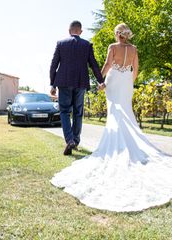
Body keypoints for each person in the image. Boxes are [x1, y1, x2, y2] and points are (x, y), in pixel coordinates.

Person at [50, 23, 172, 212]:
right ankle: (81, 139)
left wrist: (101, 82)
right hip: (125, 83)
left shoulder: (111, 47)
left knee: (82, 111)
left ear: (117, 34)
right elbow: (135, 69)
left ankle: (76, 140)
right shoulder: (133, 49)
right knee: (122, 113)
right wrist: (126, 82)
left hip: (107, 80)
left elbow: (106, 65)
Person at [49, 20, 105, 156]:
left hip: (64, 83)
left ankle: (69, 140)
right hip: (80, 83)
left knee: (64, 112)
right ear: (80, 31)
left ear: (69, 31)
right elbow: (94, 64)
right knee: (78, 113)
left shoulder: (61, 44)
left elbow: (54, 65)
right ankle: (75, 141)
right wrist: (100, 81)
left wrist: (53, 84)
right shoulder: (86, 45)